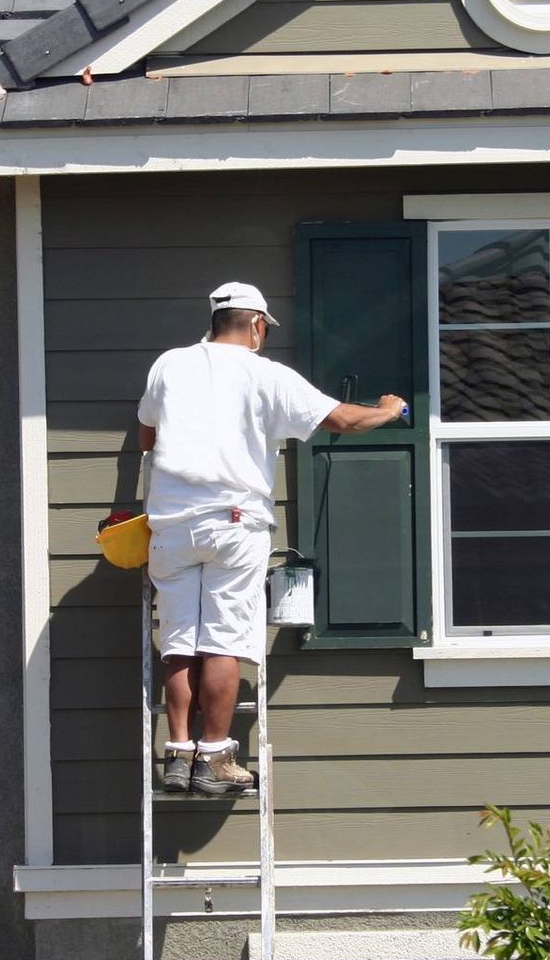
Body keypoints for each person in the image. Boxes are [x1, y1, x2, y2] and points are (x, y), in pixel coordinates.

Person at [136, 281, 405, 794]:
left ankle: (177, 753)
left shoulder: (169, 365)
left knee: (178, 645)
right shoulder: (266, 374)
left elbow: (148, 435)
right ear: (257, 326)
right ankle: (214, 758)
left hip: (170, 524)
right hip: (233, 524)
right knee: (223, 643)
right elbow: (343, 419)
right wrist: (389, 410)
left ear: (214, 322)